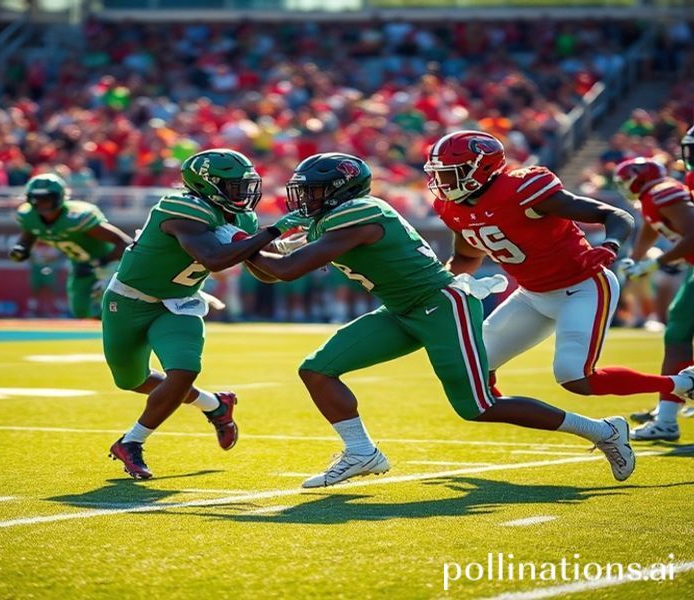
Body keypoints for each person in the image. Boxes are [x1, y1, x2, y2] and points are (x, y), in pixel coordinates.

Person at [245, 152, 635, 488]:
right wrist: (242, 245)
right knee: (316, 370)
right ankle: (361, 452)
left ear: (340, 191)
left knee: (478, 406)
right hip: (400, 310)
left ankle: (603, 431)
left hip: (441, 306)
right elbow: (270, 269)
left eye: (313, 191)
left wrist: (245, 242)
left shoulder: (360, 214)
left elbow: (286, 269)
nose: (305, 198)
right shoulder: (332, 219)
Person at [423, 130, 694, 404]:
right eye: (438, 173)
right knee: (474, 365)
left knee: (575, 376)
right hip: (531, 295)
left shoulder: (523, 189)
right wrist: (445, 291)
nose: (442, 182)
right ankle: (518, 415)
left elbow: (615, 215)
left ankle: (682, 383)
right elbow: (467, 256)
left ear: (482, 168)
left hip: (582, 287)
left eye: (450, 173)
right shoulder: (451, 207)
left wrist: (610, 245)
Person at [103, 149, 307, 479]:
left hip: (179, 302)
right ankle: (214, 404)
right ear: (207, 185)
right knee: (132, 380)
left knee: (184, 371)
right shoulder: (180, 208)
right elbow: (214, 258)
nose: (244, 193)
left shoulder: (242, 218)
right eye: (235, 186)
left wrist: (299, 249)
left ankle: (131, 442)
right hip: (129, 301)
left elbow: (266, 270)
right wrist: (272, 233)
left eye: (246, 185)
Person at [613, 157, 694, 440]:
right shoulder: (652, 198)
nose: (624, 187)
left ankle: (670, 414)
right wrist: (635, 258)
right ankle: (667, 418)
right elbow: (651, 226)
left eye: (625, 180)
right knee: (677, 333)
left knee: (678, 334)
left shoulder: (662, 192)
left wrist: (655, 263)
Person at [8, 173, 133, 318]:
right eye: (36, 199)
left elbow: (125, 242)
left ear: (59, 198)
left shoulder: (77, 217)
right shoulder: (28, 216)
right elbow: (28, 236)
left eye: (46, 198)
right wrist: (21, 249)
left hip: (109, 264)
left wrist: (99, 262)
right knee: (81, 311)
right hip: (81, 266)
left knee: (109, 306)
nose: (41, 203)